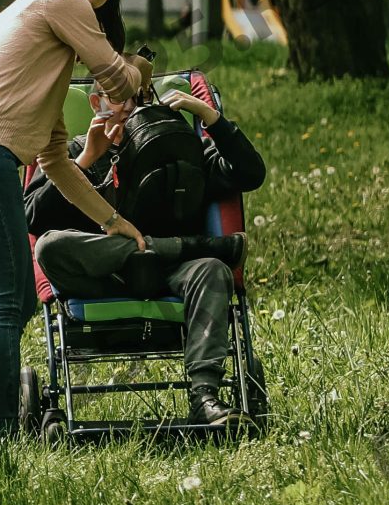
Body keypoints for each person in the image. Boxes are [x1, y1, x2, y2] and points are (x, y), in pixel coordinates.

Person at [0, 0, 153, 439]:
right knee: (3, 304)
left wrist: (112, 220)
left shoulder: (49, 41)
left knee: (16, 301)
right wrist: (140, 66)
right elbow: (116, 81)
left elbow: (57, 161)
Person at [24, 77, 261, 426]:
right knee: (50, 246)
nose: (133, 106)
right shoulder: (73, 152)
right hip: (103, 276)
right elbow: (32, 216)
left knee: (213, 269)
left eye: (143, 96)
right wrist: (88, 159)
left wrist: (209, 118)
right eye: (120, 98)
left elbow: (249, 173)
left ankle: (205, 397)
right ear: (96, 104)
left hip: (171, 276)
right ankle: (162, 247)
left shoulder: (179, 147)